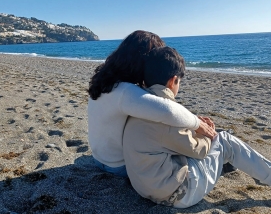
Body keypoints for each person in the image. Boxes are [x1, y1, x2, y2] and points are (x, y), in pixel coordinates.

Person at [123, 47, 271, 208]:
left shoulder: (140, 103)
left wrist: (195, 126)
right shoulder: (166, 113)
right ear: (173, 80)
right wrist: (208, 133)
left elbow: (166, 139)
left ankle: (225, 162)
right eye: (179, 82)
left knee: (218, 140)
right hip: (175, 195)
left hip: (145, 186)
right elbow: (198, 150)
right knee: (224, 140)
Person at [87, 30, 218, 178]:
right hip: (118, 166)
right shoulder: (126, 92)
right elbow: (168, 111)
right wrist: (197, 124)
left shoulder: (108, 83)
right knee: (176, 148)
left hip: (99, 158)